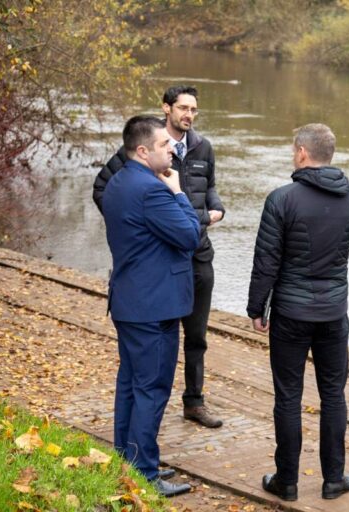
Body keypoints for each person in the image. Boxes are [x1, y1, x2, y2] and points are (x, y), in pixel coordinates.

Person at [247, 123, 349, 501]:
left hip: (291, 314)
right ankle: (334, 479)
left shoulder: (282, 199)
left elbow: (266, 260)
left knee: (288, 397)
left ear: (302, 153)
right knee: (333, 394)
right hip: (334, 313)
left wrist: (257, 307)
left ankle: (287, 481)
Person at [94, 86, 225, 428]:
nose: (189, 115)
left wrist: (217, 207)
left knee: (196, 335)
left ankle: (194, 401)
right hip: (160, 262)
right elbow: (104, 189)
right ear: (166, 109)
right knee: (151, 367)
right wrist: (137, 234)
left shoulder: (202, 147)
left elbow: (208, 186)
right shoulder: (143, 147)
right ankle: (144, 452)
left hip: (197, 257)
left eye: (194, 109)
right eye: (183, 108)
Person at [102, 115, 199, 497]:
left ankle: (127, 459)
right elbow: (190, 235)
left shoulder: (118, 182)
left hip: (129, 300)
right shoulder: (152, 191)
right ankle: (143, 471)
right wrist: (178, 192)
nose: (173, 147)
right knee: (152, 388)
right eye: (164, 144)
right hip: (153, 307)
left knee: (130, 384)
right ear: (142, 151)